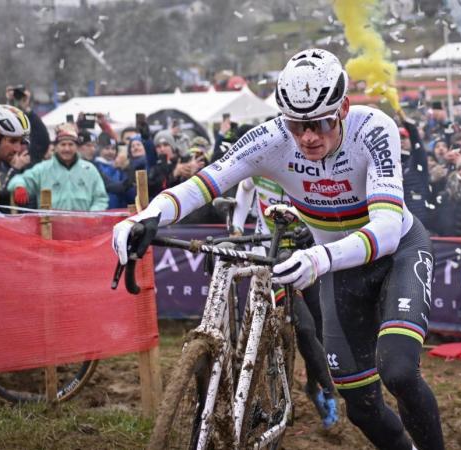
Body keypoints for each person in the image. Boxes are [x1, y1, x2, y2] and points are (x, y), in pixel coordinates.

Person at [113, 48, 444, 450]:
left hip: (396, 256)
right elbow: (205, 183)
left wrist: (318, 258)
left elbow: (388, 228)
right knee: (361, 407)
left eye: (319, 123)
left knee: (399, 373)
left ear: (344, 108)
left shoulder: (372, 128)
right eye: (296, 124)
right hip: (339, 270)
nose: (307, 137)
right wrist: (148, 216)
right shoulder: (270, 140)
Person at [232, 176, 338, 429]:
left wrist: (314, 230)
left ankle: (313, 387)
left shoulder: (308, 169)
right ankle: (329, 389)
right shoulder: (260, 167)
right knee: (304, 327)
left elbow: (327, 208)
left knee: (321, 327)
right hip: (269, 257)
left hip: (302, 256)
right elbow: (244, 188)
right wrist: (236, 226)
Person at [8, 125, 109, 211]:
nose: (67, 149)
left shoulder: (89, 169)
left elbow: (101, 198)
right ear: (56, 147)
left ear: (77, 147)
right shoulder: (43, 169)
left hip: (84, 229)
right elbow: (19, 179)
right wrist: (19, 186)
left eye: (71, 144)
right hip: (50, 230)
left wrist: (93, 216)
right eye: (63, 144)